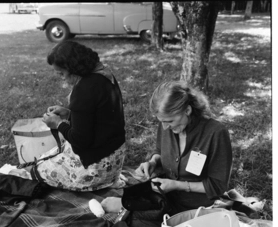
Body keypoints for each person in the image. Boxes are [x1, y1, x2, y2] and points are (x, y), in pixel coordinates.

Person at [101, 81, 232, 214]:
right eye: (161, 121)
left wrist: (177, 185)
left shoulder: (216, 133)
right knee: (129, 223)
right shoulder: (167, 125)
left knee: (145, 226)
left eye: (170, 121)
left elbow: (218, 186)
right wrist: (153, 162)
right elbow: (159, 151)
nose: (165, 127)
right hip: (165, 197)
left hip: (198, 206)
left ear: (187, 110)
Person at [34, 40, 126, 192]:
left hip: (96, 168)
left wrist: (58, 124)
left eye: (62, 73)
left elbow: (80, 141)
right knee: (50, 156)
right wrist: (69, 114)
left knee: (39, 168)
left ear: (73, 69)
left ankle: (96, 184)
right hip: (115, 158)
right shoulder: (104, 75)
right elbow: (100, 119)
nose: (62, 78)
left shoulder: (83, 90)